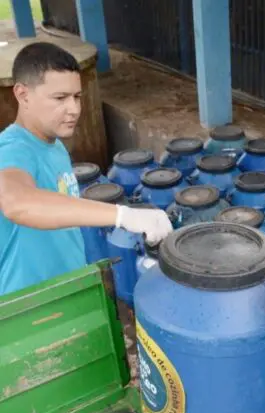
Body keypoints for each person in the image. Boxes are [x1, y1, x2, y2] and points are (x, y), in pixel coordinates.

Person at [0, 42, 172, 297]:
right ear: (23, 95)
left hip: (67, 290)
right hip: (29, 308)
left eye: (77, 97)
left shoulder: (54, 145)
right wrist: (122, 215)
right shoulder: (12, 150)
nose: (74, 109)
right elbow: (17, 202)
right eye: (60, 98)